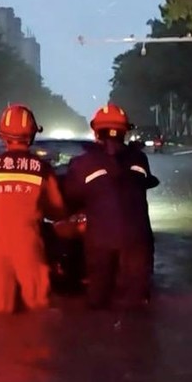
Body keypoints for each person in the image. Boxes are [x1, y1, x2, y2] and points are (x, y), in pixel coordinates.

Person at [63, 103, 159, 310]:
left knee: (98, 300)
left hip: (100, 240)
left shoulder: (82, 163)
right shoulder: (140, 159)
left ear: (96, 131)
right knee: (138, 305)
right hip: (138, 239)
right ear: (125, 132)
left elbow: (69, 198)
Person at [0, 104, 66, 314]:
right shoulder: (42, 169)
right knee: (37, 309)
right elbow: (58, 209)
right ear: (32, 135)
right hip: (28, 245)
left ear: (2, 135)